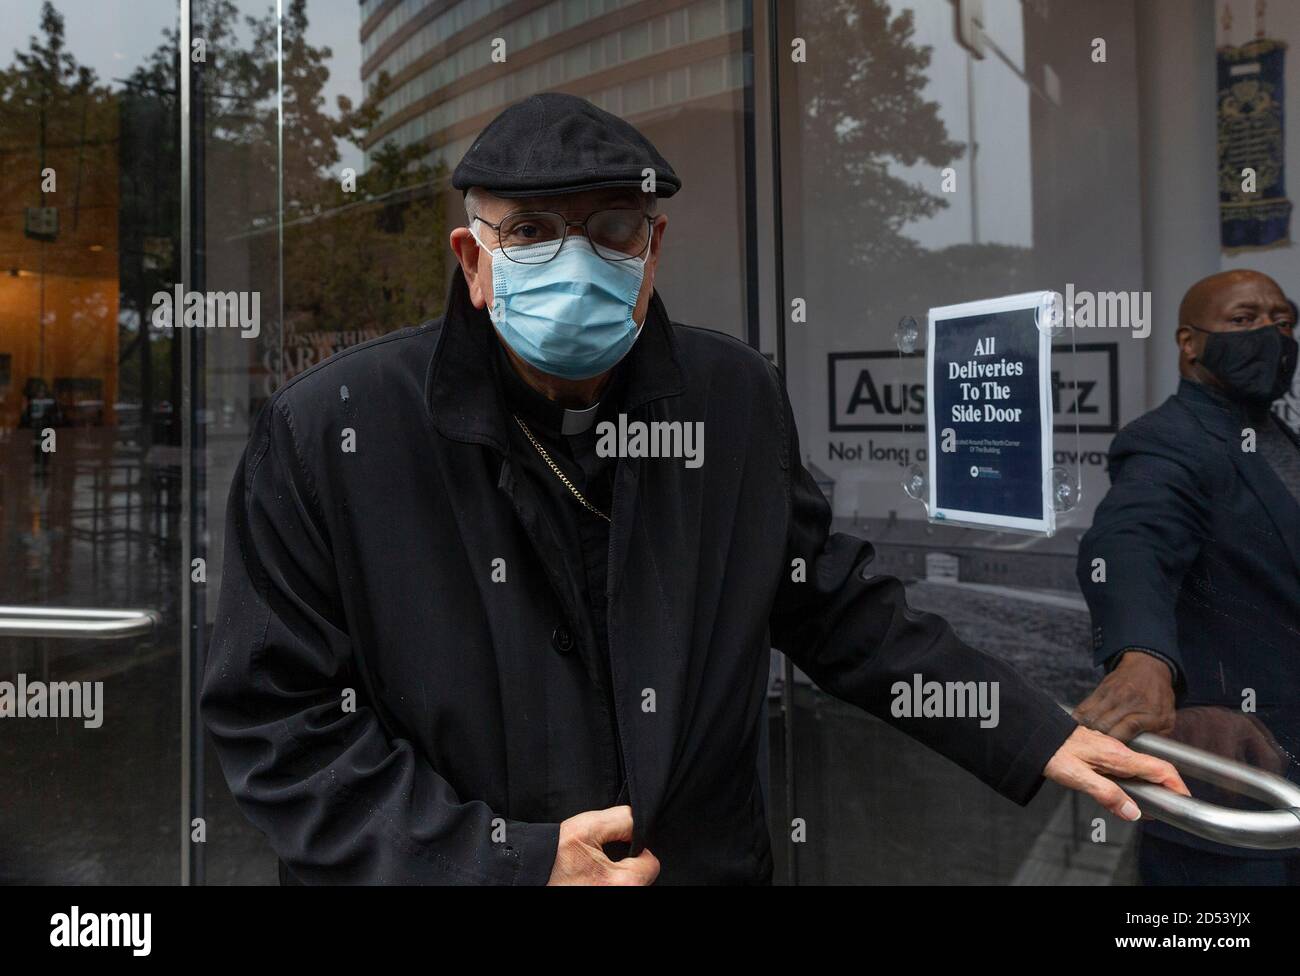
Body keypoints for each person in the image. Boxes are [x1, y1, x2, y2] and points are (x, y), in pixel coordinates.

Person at [202, 92, 1184, 885]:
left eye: (612, 229)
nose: (577, 261)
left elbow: (838, 612)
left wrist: (1027, 728)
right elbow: (277, 720)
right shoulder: (331, 429)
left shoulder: (733, 401)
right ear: (472, 262)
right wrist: (507, 865)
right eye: (534, 232)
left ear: (651, 250)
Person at [1075, 269, 1300, 885]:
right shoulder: (1167, 441)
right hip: (1236, 783)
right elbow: (1131, 541)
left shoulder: (1280, 437)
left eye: (1283, 322)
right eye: (1244, 320)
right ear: (1189, 342)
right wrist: (1141, 655)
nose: (1270, 335)